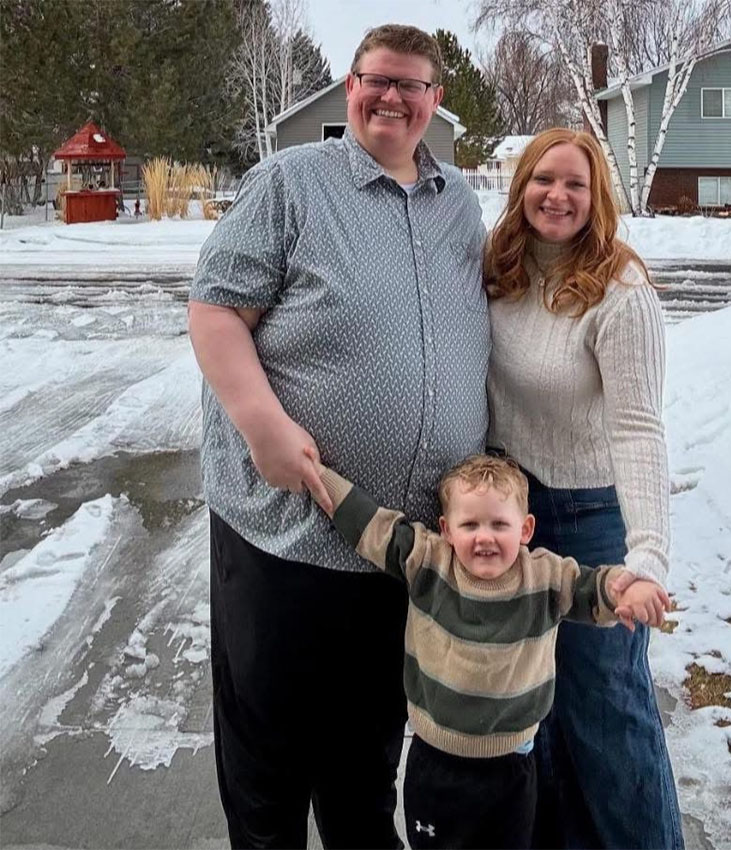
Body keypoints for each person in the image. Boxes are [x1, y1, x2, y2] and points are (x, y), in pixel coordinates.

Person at [187, 24, 490, 849]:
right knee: (271, 768)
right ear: (351, 88)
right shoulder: (291, 183)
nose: (391, 97)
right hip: (287, 537)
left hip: (398, 548)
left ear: (435, 100)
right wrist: (263, 426)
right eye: (375, 80)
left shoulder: (458, 204)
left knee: (363, 763)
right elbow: (215, 310)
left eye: (410, 84)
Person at [484, 128, 685, 849]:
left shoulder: (620, 291)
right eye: (544, 179)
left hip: (589, 514)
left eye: (576, 183)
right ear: (522, 188)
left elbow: (638, 429)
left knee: (608, 712)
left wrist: (647, 558)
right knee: (533, 710)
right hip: (515, 517)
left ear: (598, 196)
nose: (558, 196)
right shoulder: (499, 269)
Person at [308, 453, 671, 850]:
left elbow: (592, 588)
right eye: (470, 525)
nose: (485, 537)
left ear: (526, 528)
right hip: (438, 766)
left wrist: (627, 589)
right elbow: (373, 527)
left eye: (499, 524)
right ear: (446, 529)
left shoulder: (545, 578)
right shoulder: (429, 563)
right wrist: (316, 475)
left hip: (512, 771)